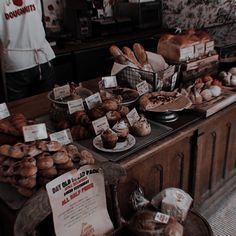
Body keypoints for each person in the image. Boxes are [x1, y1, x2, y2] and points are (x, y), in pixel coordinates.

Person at [0, 0, 56, 102]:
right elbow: (38, 17)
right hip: (42, 57)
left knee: (20, 110)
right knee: (46, 104)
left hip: (18, 62)